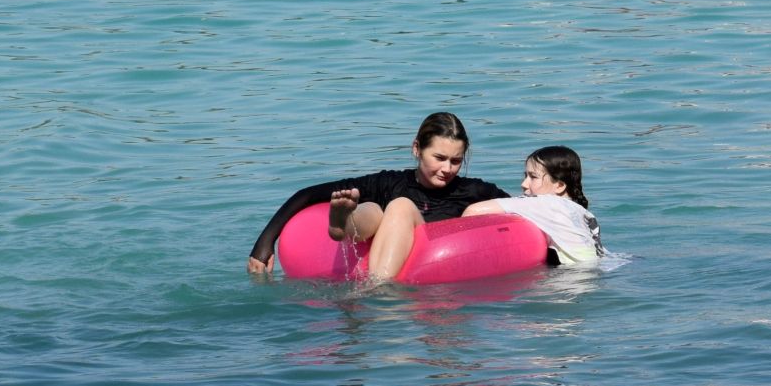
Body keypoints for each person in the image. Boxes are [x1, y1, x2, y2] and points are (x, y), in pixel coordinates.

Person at [245, 111, 508, 280]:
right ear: (417, 149)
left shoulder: (473, 191)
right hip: (378, 246)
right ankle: (343, 223)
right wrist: (264, 243)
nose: (447, 169)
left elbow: (526, 212)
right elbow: (307, 194)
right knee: (375, 209)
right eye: (439, 158)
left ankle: (350, 231)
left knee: (399, 207)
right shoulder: (389, 182)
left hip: (429, 258)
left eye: (456, 160)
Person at [462, 145, 604, 268]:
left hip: (568, 281)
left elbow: (472, 211)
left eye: (533, 177)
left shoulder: (545, 203)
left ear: (559, 185)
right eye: (525, 176)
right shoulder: (581, 212)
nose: (524, 184)